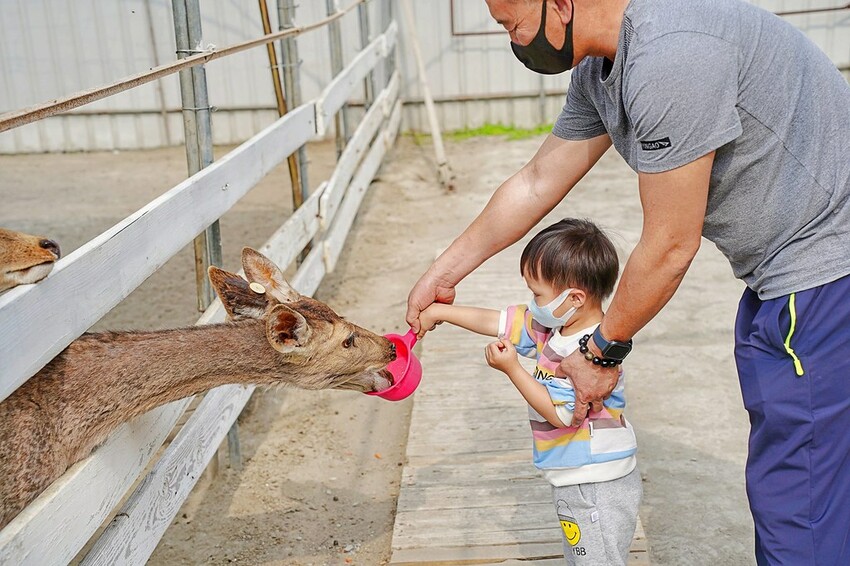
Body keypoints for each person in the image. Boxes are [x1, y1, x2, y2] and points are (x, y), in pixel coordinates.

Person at [406, 0, 850, 564]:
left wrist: (602, 348)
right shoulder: (601, 70)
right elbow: (538, 180)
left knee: (798, 492)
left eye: (509, 22)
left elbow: (669, 244)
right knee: (813, 473)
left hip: (823, 274)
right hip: (782, 276)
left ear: (559, 5)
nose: (512, 39)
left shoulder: (671, 57)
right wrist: (442, 275)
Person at [419, 218, 640, 564]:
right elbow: (498, 322)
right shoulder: (554, 327)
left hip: (594, 480)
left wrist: (513, 370)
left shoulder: (586, 354)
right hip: (576, 477)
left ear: (575, 298)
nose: (532, 303)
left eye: (538, 294)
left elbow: (562, 414)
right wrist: (440, 312)